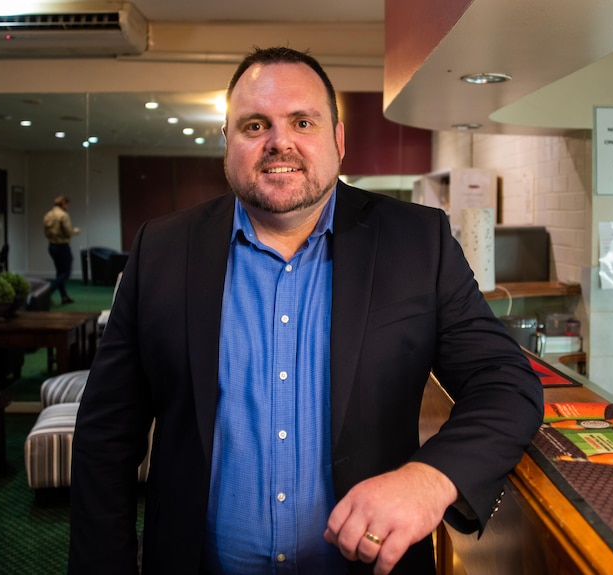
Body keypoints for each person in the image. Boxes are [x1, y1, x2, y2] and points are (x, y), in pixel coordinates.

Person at [69, 47, 543, 575]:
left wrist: (430, 478)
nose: (280, 142)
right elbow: (105, 434)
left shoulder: (418, 242)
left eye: (302, 121)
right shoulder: (161, 250)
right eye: (255, 125)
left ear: (338, 140)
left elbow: (506, 383)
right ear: (228, 144)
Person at [43, 195, 80, 305]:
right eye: (67, 204)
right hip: (62, 246)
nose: (68, 206)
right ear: (63, 204)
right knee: (66, 273)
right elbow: (68, 232)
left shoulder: (48, 215)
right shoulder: (63, 215)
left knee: (59, 272)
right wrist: (75, 231)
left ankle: (64, 297)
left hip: (52, 246)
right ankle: (47, 292)